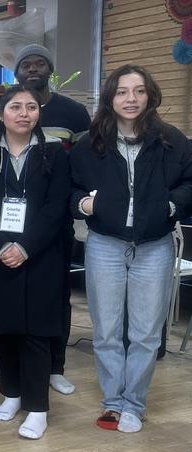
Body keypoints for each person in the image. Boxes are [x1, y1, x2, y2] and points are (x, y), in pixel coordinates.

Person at [71, 65, 192, 432]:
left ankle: (134, 405)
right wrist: (85, 205)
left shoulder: (171, 140)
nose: (131, 99)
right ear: (110, 97)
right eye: (122, 91)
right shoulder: (90, 142)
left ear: (150, 96)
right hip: (105, 244)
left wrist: (170, 207)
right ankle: (112, 401)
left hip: (154, 246)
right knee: (106, 330)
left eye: (139, 91)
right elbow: (71, 189)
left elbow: (189, 183)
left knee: (145, 333)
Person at [0, 44, 91, 396]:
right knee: (9, 299)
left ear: (49, 68)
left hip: (52, 227)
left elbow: (84, 162)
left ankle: (54, 367)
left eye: (39, 62)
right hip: (5, 232)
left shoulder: (73, 113)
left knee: (54, 300)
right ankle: (12, 372)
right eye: (25, 63)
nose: (32, 68)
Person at [0, 86, 71, 440]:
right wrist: (0, 245)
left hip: (40, 255)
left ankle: (37, 408)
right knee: (2, 329)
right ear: (1, 113)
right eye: (15, 107)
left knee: (36, 334)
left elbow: (56, 207)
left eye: (31, 107)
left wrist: (25, 247)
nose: (24, 113)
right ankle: (11, 394)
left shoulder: (55, 152)